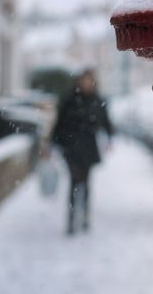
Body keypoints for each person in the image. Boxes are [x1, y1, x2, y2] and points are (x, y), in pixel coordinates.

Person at [51, 69, 114, 235]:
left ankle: (85, 215)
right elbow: (58, 123)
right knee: (74, 181)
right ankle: (72, 218)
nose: (86, 83)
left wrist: (109, 139)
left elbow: (106, 122)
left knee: (86, 183)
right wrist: (52, 143)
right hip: (70, 147)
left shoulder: (97, 100)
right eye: (83, 80)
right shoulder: (69, 99)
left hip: (88, 147)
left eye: (89, 80)